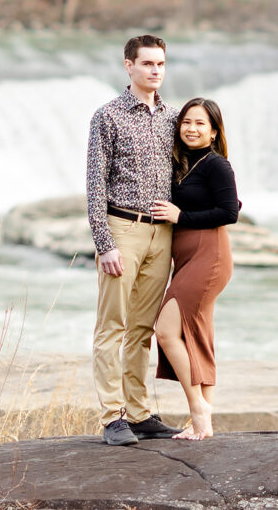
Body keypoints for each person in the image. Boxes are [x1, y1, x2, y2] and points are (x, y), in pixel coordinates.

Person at [86, 34, 183, 446]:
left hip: (162, 234)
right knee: (113, 326)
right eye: (147, 64)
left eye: (160, 64)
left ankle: (140, 413)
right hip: (122, 229)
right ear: (129, 66)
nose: (155, 71)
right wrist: (105, 242)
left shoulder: (173, 117)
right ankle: (112, 417)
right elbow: (94, 184)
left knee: (142, 328)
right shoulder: (107, 117)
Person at [150, 97, 239, 441]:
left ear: (214, 131)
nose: (192, 128)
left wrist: (181, 217)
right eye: (187, 122)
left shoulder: (216, 164)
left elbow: (230, 212)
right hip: (187, 258)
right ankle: (204, 423)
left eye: (201, 123)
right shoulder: (184, 162)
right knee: (198, 337)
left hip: (209, 256)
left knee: (166, 330)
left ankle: (199, 408)